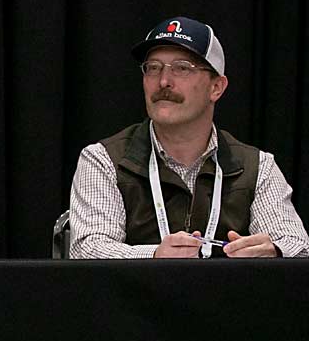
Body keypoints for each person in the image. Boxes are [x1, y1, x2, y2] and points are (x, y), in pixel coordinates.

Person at [69, 16, 309, 258]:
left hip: (227, 295)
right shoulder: (104, 159)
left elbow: (297, 245)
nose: (163, 81)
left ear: (217, 88)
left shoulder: (258, 166)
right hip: (138, 295)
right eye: (153, 68)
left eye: (182, 68)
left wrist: (274, 251)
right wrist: (154, 257)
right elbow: (88, 248)